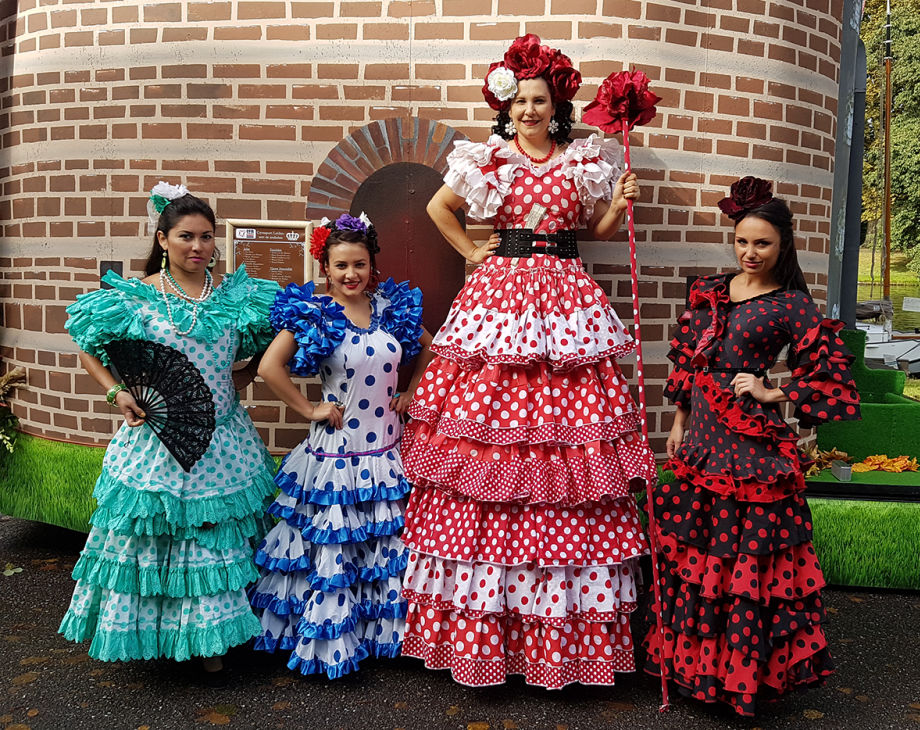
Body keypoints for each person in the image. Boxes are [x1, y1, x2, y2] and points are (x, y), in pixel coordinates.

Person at [400, 33, 656, 688]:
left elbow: (594, 233)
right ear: (508, 107)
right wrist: (469, 250)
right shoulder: (488, 159)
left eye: (541, 101)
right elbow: (439, 206)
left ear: (556, 106)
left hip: (566, 295)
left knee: (569, 429)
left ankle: (559, 631)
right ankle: (489, 621)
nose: (531, 111)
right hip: (503, 294)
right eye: (523, 102)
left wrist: (620, 202)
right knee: (489, 426)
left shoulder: (579, 162)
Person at [642, 176, 861, 716]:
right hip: (703, 438)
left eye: (762, 243)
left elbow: (833, 380)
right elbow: (688, 360)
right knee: (701, 554)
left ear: (783, 245)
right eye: (742, 241)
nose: (750, 252)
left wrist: (773, 388)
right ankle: (697, 670)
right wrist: (679, 418)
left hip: (751, 444)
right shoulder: (711, 290)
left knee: (746, 561)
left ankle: (743, 678)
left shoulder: (792, 306)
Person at [58, 183, 280, 679]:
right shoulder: (137, 300)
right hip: (155, 444)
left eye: (206, 237)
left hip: (222, 442)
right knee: (155, 538)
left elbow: (270, 347)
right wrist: (117, 393)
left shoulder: (234, 299)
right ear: (162, 239)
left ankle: (211, 638)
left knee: (210, 540)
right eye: (185, 236)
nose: (198, 247)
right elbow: (88, 347)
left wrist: (241, 376)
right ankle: (158, 634)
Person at [249, 214, 433, 678]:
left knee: (379, 548)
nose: (351, 274)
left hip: (387, 451)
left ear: (372, 265)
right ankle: (330, 641)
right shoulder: (316, 311)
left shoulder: (392, 308)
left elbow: (432, 347)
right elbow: (270, 368)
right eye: (340, 266)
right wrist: (308, 409)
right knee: (336, 546)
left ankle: (380, 639)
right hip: (336, 455)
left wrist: (411, 390)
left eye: (360, 264)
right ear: (325, 268)